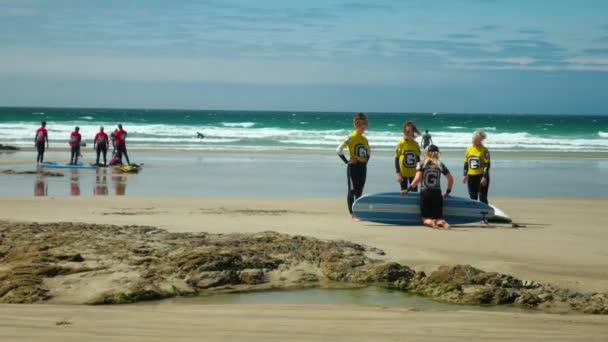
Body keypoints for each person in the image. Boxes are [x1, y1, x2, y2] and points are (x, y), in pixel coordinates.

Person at [401, 145, 454, 229]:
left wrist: (408, 190)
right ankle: (441, 222)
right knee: (438, 217)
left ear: (426, 153)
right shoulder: (440, 164)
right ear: (437, 154)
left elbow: (417, 179)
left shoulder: (421, 164)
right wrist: (448, 191)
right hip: (437, 193)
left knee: (425, 218)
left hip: (425, 193)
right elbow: (450, 179)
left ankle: (430, 222)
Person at [337, 113, 370, 218]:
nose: (363, 127)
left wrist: (365, 161)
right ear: (355, 125)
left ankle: (358, 212)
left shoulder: (364, 139)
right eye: (360, 124)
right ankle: (352, 214)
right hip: (353, 167)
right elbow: (338, 150)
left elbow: (368, 152)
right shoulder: (351, 137)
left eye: (364, 124)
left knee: (359, 191)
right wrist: (347, 162)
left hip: (362, 167)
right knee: (352, 190)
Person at [463, 130, 491, 204]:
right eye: (473, 139)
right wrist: (464, 175)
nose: (473, 141)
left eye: (475, 140)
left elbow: (487, 164)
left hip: (481, 177)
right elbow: (466, 163)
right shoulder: (469, 149)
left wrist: (484, 177)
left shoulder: (484, 150)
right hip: (471, 177)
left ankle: (485, 213)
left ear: (480, 140)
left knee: (482, 197)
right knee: (472, 198)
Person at [395, 121, 421, 192]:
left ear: (413, 132)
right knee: (404, 192)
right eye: (406, 131)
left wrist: (419, 172)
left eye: (409, 131)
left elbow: (418, 159)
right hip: (403, 174)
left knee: (414, 193)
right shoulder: (400, 143)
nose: (408, 133)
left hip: (414, 174)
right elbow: (396, 159)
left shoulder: (416, 144)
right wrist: (398, 174)